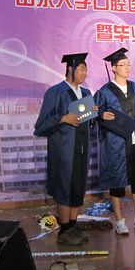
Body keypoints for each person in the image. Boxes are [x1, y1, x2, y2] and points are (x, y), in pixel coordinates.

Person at [33, 52, 97, 246]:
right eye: (81, 69)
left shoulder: (86, 93)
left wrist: (94, 115)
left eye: (86, 69)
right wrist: (63, 118)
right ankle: (64, 230)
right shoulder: (56, 92)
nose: (84, 73)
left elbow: (89, 124)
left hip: (82, 149)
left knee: (78, 186)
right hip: (64, 150)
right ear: (70, 69)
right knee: (64, 187)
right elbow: (41, 125)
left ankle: (73, 225)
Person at [96, 47, 135, 236]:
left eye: (128, 64)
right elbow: (94, 112)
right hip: (116, 142)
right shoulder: (104, 91)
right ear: (113, 68)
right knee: (117, 181)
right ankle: (119, 221)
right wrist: (101, 114)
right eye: (123, 65)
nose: (127, 68)